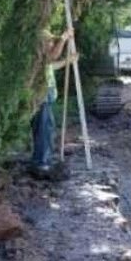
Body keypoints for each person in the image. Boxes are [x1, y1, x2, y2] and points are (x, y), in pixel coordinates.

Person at [30, 27, 78, 176]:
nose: (52, 43)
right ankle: (42, 163)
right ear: (42, 44)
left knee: (47, 129)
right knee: (44, 130)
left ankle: (43, 160)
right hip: (42, 97)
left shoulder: (43, 60)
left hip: (46, 97)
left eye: (52, 41)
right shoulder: (39, 57)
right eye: (49, 41)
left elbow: (51, 65)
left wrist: (67, 61)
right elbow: (52, 57)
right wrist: (64, 38)